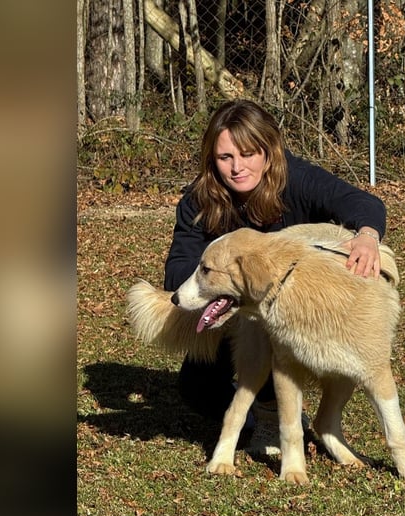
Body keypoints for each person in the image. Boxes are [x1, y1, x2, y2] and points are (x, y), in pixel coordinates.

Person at [163, 99, 387, 454]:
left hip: (298, 312)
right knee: (197, 390)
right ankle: (257, 413)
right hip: (234, 309)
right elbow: (177, 269)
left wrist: (368, 236)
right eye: (225, 158)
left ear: (269, 151)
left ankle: (280, 417)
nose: (238, 168)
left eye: (249, 154)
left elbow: (362, 203)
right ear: (212, 159)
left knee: (274, 328)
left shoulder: (296, 178)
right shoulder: (198, 200)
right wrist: (226, 280)